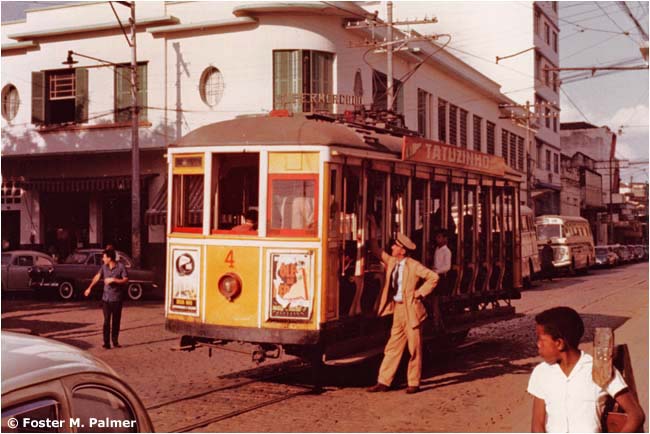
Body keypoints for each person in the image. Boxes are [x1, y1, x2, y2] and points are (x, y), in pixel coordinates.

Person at [528, 306, 645, 433]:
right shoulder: (541, 373)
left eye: (541, 339)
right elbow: (537, 424)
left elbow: (636, 415)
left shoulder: (599, 369)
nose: (538, 344)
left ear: (559, 343)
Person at [366, 215, 439, 395]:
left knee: (414, 348)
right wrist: (373, 226)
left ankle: (414, 382)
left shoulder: (414, 266)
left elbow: (433, 277)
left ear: (403, 250)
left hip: (412, 311)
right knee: (392, 347)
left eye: (395, 246)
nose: (392, 247)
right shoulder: (392, 262)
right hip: (398, 310)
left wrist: (419, 293)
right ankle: (383, 381)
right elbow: (375, 249)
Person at [84, 248, 129, 349]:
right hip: (106, 299)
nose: (102, 259)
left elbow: (126, 279)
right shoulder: (104, 267)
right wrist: (89, 288)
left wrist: (114, 280)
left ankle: (115, 341)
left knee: (116, 321)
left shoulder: (120, 267)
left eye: (104, 257)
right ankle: (106, 343)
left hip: (117, 299)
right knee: (106, 321)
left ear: (109, 258)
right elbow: (97, 276)